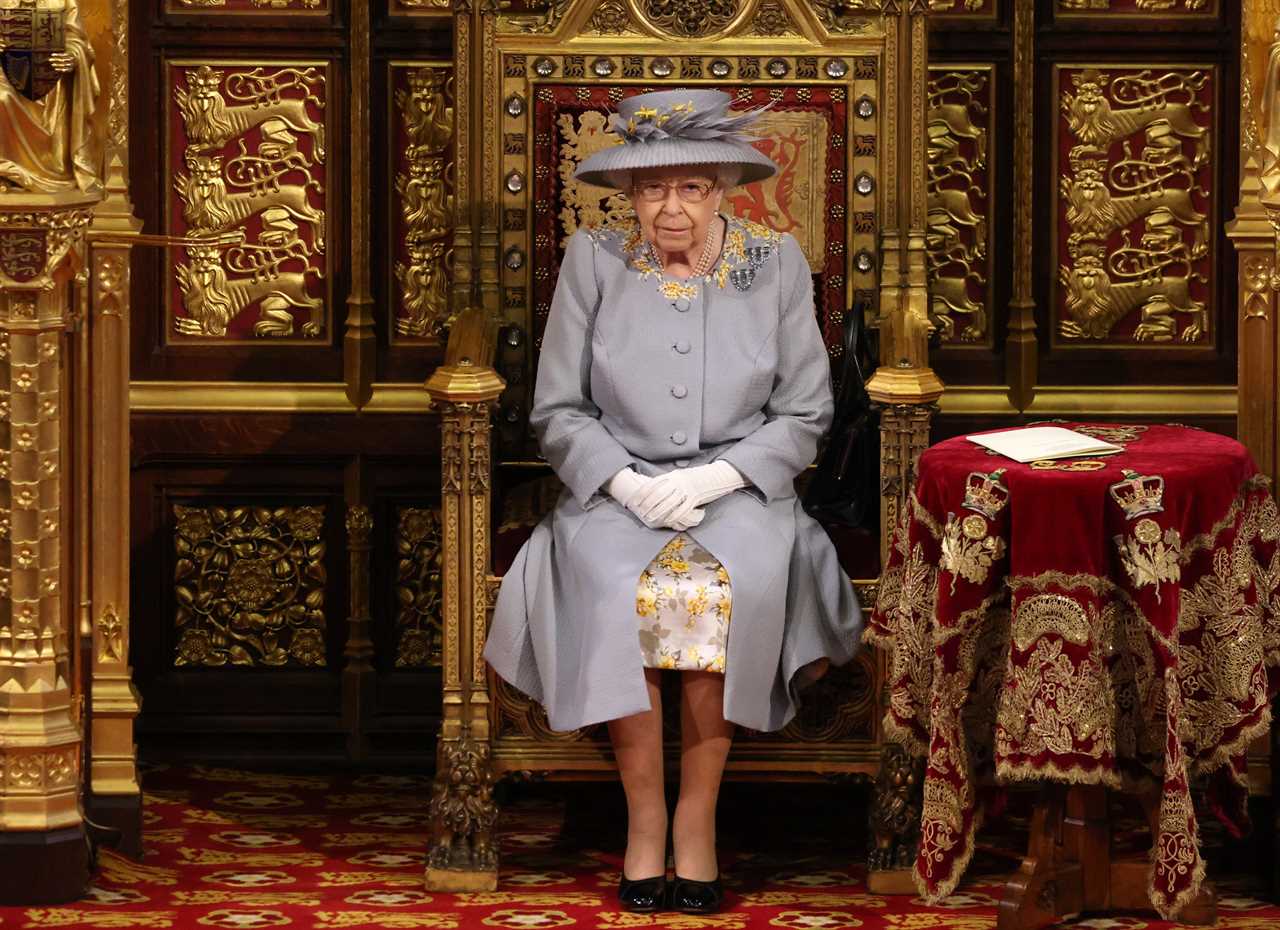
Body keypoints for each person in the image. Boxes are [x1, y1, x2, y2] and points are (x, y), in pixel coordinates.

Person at [485, 88, 863, 914]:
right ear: (628, 194)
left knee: (724, 594)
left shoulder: (776, 265)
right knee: (623, 590)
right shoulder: (595, 260)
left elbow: (806, 413)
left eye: (691, 188)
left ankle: (696, 819)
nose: (672, 208)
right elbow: (556, 408)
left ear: (723, 190)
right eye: (653, 189)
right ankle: (644, 819)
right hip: (611, 495)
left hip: (743, 495)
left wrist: (716, 479)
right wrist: (623, 482)